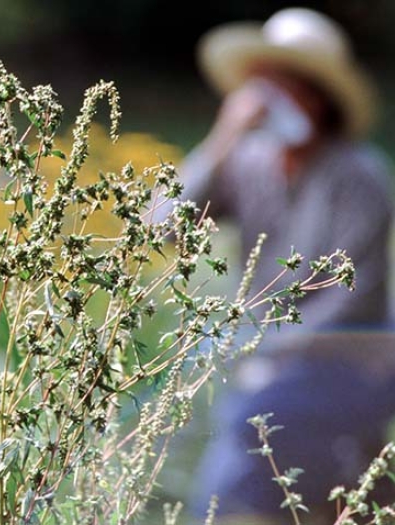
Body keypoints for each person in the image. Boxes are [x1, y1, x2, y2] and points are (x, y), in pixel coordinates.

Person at [149, 8, 395, 524]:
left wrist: (261, 352)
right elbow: (159, 228)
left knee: (249, 426)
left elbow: (351, 301)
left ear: (319, 97)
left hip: (346, 361)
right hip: (268, 362)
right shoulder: (248, 162)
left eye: (289, 85)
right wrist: (222, 140)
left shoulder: (361, 178)